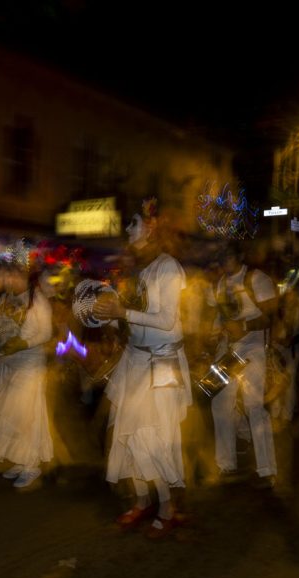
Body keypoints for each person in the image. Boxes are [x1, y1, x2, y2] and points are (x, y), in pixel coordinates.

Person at [93, 197, 192, 539]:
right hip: (135, 359)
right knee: (128, 433)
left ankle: (167, 507)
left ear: (150, 227)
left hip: (162, 361)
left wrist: (123, 314)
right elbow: (130, 314)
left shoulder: (168, 267)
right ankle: (141, 500)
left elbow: (166, 321)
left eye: (133, 222)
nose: (127, 229)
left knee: (155, 437)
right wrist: (112, 320)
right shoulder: (136, 268)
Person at [0, 255, 54, 489]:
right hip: (9, 365)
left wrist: (24, 344)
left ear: (24, 277)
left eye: (12, 275)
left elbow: (46, 332)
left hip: (30, 366)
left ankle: (31, 465)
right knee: (11, 416)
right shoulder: (7, 299)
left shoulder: (37, 300)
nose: (7, 280)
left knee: (26, 416)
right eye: (5, 276)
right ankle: (20, 461)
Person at [205, 241, 279, 488]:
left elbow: (271, 316)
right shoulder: (218, 285)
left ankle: (267, 469)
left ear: (238, 254)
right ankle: (225, 464)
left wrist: (244, 327)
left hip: (253, 348)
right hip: (227, 351)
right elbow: (216, 317)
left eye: (227, 254)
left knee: (253, 405)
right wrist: (213, 334)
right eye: (220, 255)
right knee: (219, 403)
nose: (223, 260)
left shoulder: (256, 279)